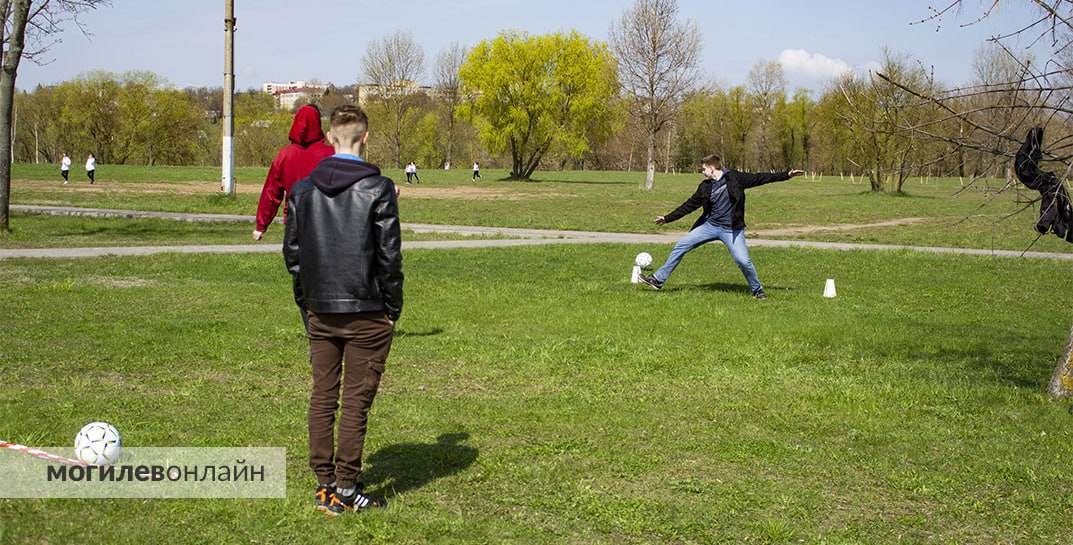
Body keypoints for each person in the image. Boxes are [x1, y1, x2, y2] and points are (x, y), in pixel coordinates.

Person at [283, 104, 403, 515]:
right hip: (367, 309)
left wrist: (307, 304)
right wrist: (392, 308)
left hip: (322, 309)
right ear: (365, 138)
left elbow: (293, 257)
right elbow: (390, 257)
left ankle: (325, 482)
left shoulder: (302, 189)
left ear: (331, 138)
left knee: (323, 396)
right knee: (354, 401)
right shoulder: (379, 188)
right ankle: (346, 490)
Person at [639, 154, 804, 299]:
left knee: (743, 261)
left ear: (712, 168)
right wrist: (667, 218)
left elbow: (761, 177)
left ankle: (757, 290)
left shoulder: (735, 178)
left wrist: (787, 175)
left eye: (703, 169)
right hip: (709, 226)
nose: (702, 172)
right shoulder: (705, 186)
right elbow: (689, 205)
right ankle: (658, 279)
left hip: (732, 230)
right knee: (682, 245)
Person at [253, 104, 335, 242]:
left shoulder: (285, 155)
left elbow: (271, 192)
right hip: (325, 219)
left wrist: (261, 225)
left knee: (297, 261)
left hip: (294, 220)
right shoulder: (330, 154)